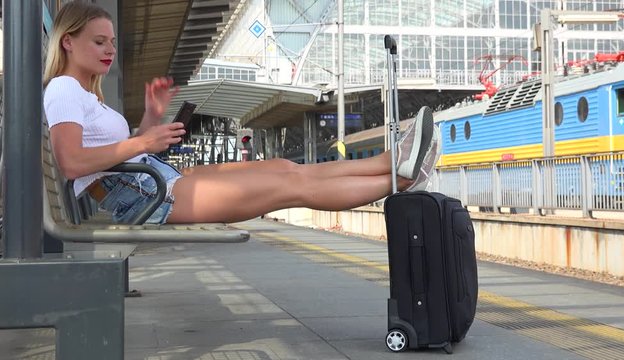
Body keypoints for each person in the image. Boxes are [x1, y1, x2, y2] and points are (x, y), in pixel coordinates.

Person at [43, 1, 441, 225]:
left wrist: (151, 117)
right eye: (98, 41)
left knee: (286, 167)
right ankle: (401, 179)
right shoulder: (63, 88)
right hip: (147, 195)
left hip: (153, 181)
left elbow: (123, 151)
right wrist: (144, 139)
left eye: (111, 41)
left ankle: (393, 162)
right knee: (289, 188)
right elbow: (73, 163)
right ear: (67, 43)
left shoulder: (86, 95)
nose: (109, 49)